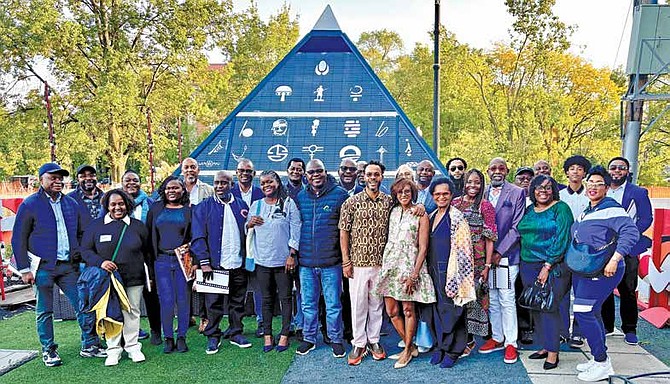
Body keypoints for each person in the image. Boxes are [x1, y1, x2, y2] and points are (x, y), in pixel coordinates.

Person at [12, 162, 103, 366]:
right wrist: (24, 269)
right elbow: (18, 238)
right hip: (42, 268)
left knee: (83, 304)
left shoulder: (71, 203)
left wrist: (82, 256)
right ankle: (49, 350)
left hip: (68, 266)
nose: (58, 181)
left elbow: (83, 232)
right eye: (53, 177)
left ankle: (89, 345)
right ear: (41, 179)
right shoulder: (30, 204)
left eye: (60, 177)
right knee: (45, 310)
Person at [569, 166, 639, 382]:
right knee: (593, 312)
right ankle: (599, 358)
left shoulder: (613, 208)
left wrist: (615, 258)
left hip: (603, 270)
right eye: (590, 182)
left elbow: (631, 232)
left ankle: (601, 361)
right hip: (585, 269)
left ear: (607, 188)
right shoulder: (588, 209)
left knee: (583, 312)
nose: (593, 187)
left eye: (599, 183)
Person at [81, 189, 151, 366]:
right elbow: (85, 251)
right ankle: (113, 350)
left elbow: (148, 252)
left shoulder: (138, 226)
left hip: (134, 277)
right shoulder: (96, 226)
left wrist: (149, 276)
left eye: (121, 203)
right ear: (107, 206)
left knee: (132, 311)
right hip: (108, 279)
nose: (117, 207)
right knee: (110, 313)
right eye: (113, 204)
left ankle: (133, 347)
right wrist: (100, 262)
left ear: (127, 204)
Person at [376, 178, 435, 369]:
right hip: (390, 266)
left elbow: (424, 247)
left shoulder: (421, 215)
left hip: (409, 267)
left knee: (408, 310)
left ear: (413, 193)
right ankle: (411, 346)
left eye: (407, 191)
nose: (403, 195)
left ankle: (407, 350)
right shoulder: (392, 212)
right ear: (395, 194)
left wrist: (414, 274)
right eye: (400, 192)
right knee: (392, 311)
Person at [191, 170, 253, 354]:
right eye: (217, 183)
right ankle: (213, 335)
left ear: (231, 185)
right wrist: (204, 261)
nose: (219, 186)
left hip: (238, 263)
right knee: (213, 303)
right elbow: (198, 236)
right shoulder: (204, 207)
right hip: (213, 264)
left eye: (224, 183)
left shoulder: (242, 205)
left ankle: (235, 332)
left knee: (237, 301)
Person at [340, 160, 394, 365]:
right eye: (369, 174)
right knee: (358, 304)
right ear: (363, 177)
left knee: (376, 305)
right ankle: (359, 343)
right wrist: (346, 262)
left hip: (381, 263)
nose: (372, 178)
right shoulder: (351, 203)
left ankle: (374, 341)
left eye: (376, 174)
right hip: (358, 264)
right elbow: (343, 233)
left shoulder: (389, 202)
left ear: (382, 176)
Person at [294, 159, 349, 358]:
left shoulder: (340, 194)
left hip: (331, 262)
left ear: (326, 172)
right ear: (306, 176)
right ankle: (309, 339)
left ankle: (336, 339)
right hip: (306, 263)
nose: (315, 175)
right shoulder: (301, 196)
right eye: (311, 172)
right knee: (308, 304)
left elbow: (346, 229)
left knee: (333, 304)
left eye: (319, 171)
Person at [518, 175, 573, 370]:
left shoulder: (561, 209)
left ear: (554, 190)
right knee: (535, 307)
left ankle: (553, 353)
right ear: (532, 190)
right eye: (539, 187)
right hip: (528, 265)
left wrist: (547, 265)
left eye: (548, 187)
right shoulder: (529, 210)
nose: (543, 191)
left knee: (549, 307)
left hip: (552, 266)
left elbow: (562, 238)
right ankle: (544, 345)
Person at [246, 170, 301, 352]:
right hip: (262, 261)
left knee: (285, 299)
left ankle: (285, 335)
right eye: (262, 183)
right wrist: (249, 223)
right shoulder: (256, 205)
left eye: (269, 182)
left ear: (277, 182)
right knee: (267, 299)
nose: (266, 186)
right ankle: (268, 336)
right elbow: (248, 229)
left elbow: (296, 229)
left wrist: (292, 254)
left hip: (283, 262)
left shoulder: (288, 204)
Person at [424, 177, 475, 368]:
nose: (441, 197)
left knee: (454, 310)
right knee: (435, 310)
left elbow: (464, 251)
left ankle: (454, 351)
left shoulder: (457, 218)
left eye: (445, 193)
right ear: (432, 196)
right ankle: (440, 347)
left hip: (452, 270)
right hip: (433, 270)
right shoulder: (430, 216)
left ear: (451, 195)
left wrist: (457, 276)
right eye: (437, 194)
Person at [602, 157, 653, 346]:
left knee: (628, 289)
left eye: (621, 168)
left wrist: (628, 234)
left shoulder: (638, 192)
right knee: (605, 288)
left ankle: (630, 329)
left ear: (627, 171)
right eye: (613, 167)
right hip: (604, 248)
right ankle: (607, 326)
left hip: (628, 248)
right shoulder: (601, 189)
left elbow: (646, 219)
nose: (617, 171)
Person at [479, 157, 525, 364]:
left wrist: (498, 252)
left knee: (506, 298)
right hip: (487, 258)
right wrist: (487, 256)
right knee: (494, 299)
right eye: (493, 168)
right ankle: (497, 337)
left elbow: (517, 227)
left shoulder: (517, 192)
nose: (497, 171)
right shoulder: (483, 191)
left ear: (507, 171)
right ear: (487, 171)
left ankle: (511, 343)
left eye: (501, 168)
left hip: (506, 256)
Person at [451, 169, 497, 356]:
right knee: (457, 298)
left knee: (475, 299)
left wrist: (487, 266)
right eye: (469, 182)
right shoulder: (455, 204)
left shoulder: (485, 206)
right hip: (457, 260)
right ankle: (460, 338)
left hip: (478, 261)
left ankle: (471, 340)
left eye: (477, 182)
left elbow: (490, 238)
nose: (473, 185)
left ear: (482, 184)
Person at [146, 176, 192, 353]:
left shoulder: (189, 211)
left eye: (175, 188)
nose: (171, 191)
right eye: (168, 188)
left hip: (182, 261)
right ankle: (168, 338)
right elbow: (149, 235)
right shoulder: (156, 208)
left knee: (182, 299)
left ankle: (181, 336)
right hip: (161, 261)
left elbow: (193, 236)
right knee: (165, 300)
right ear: (163, 191)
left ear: (183, 190)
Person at [121, 170, 162, 345]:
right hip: (123, 258)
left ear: (140, 183)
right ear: (122, 183)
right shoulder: (116, 203)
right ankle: (128, 332)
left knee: (151, 295)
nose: (131, 183)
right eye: (127, 180)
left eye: (135, 180)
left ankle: (156, 330)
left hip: (147, 257)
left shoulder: (151, 203)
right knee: (125, 297)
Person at [558, 155, 592, 348]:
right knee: (562, 293)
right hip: (563, 252)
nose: (576, 172)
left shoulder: (591, 194)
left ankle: (578, 332)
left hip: (584, 254)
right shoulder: (559, 195)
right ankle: (562, 330)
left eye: (580, 168)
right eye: (572, 168)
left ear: (584, 173)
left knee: (581, 294)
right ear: (566, 172)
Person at [180, 157, 213, 334]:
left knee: (201, 279)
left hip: (201, 240)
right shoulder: (176, 190)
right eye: (187, 167)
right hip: (182, 243)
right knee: (184, 281)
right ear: (182, 170)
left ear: (198, 170)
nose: (190, 170)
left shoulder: (208, 190)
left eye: (193, 167)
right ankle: (187, 317)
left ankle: (204, 318)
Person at [232, 158, 264, 337]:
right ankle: (236, 325)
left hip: (256, 248)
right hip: (234, 248)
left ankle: (261, 321)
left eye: (248, 171)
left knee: (259, 286)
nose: (244, 173)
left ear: (254, 174)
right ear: (236, 173)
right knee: (237, 288)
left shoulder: (261, 193)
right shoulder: (228, 192)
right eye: (241, 170)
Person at [512, 165, 535, 344]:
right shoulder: (510, 198)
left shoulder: (538, 202)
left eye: (529, 178)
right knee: (511, 292)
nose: (525, 180)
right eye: (521, 178)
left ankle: (528, 327)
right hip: (511, 252)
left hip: (532, 254)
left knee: (528, 290)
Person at [285, 157, 305, 338]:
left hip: (303, 245)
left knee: (300, 288)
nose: (296, 171)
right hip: (281, 246)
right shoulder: (280, 190)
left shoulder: (307, 191)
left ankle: (300, 323)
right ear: (287, 170)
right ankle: (287, 323)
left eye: (299, 169)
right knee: (284, 289)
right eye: (293, 168)